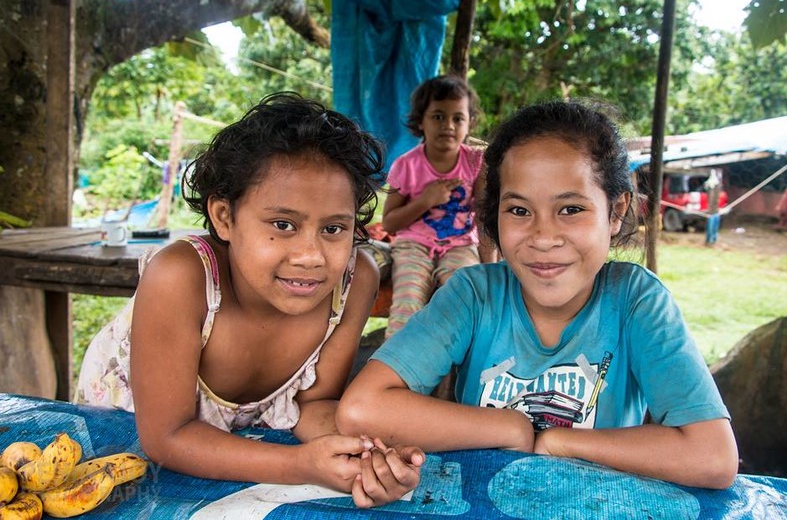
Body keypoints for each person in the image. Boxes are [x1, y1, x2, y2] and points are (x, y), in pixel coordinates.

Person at [338, 100, 739, 489]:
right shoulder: (474, 295)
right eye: (519, 211)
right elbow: (361, 409)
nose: (544, 238)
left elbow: (713, 457)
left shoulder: (635, 301)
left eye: (570, 210)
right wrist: (512, 428)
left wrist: (555, 441)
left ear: (615, 213)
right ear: (494, 213)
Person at [76, 93, 423, 507]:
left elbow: (314, 406)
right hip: (124, 450)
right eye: (283, 224)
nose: (311, 255)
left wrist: (368, 456)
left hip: (247, 455)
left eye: (333, 229)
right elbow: (167, 437)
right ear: (225, 217)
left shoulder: (354, 279)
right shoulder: (181, 277)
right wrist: (300, 465)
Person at [382, 75, 494, 338]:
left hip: (461, 245)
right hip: (413, 245)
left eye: (458, 118)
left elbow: (484, 215)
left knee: (463, 301)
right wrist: (426, 201)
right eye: (438, 116)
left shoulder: (476, 163)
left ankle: (452, 369)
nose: (449, 125)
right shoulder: (406, 165)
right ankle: (394, 371)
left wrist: (490, 267)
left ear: (470, 123)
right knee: (407, 306)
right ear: (420, 120)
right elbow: (389, 223)